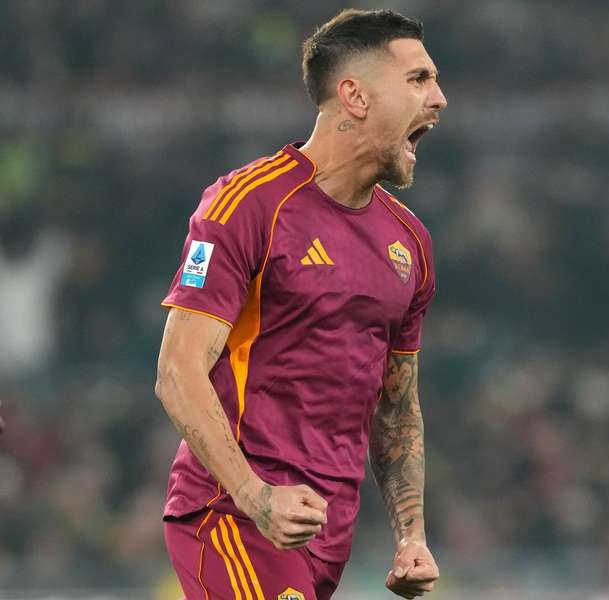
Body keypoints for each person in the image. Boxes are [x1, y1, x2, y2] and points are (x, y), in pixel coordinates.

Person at [154, 9, 447, 600]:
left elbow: (397, 408)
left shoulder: (409, 242)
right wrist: (256, 496)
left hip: (325, 533)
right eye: (418, 79)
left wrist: (410, 536)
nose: (439, 99)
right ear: (355, 96)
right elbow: (178, 372)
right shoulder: (247, 204)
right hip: (231, 515)